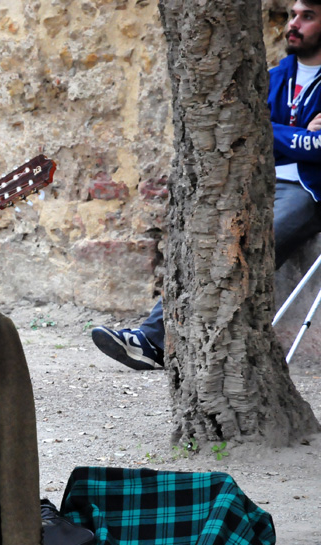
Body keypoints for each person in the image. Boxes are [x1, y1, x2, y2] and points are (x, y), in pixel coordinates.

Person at [92, 0, 321, 370]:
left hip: (309, 194)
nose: (294, 24)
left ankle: (157, 340)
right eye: (293, 15)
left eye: (307, 17)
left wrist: (277, 134)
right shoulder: (278, 75)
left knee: (240, 248)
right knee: (203, 240)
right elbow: (249, 125)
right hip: (261, 182)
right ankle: (153, 337)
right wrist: (300, 136)